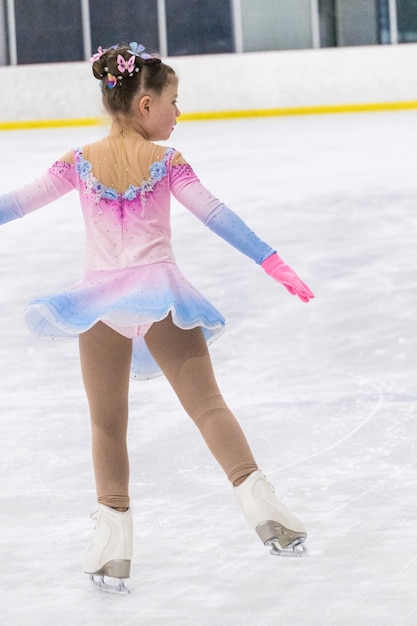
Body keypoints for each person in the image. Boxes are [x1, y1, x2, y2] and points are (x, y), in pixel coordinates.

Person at [0, 42, 314, 594]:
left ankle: (112, 544)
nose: (178, 112)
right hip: (161, 296)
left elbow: (15, 204)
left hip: (98, 304)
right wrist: (272, 260)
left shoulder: (78, 161)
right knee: (209, 406)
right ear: (145, 104)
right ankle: (268, 514)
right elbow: (219, 216)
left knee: (106, 422)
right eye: (173, 100)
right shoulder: (167, 162)